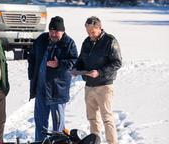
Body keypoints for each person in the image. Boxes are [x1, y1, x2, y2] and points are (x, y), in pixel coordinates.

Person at [71, 16, 122, 144]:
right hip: (89, 86)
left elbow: (117, 62)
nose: (90, 35)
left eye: (92, 32)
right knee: (92, 118)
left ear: (99, 28)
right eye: (88, 32)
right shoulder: (86, 42)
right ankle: (95, 141)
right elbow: (81, 60)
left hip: (104, 86)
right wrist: (76, 69)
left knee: (107, 118)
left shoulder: (110, 41)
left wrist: (99, 72)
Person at [28, 16, 78, 141]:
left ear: (63, 31)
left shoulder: (69, 43)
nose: (53, 34)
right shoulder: (41, 39)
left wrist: (59, 64)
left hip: (57, 90)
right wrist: (32, 75)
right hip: (41, 89)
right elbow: (32, 57)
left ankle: (59, 142)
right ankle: (40, 142)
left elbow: (74, 61)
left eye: (56, 31)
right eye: (51, 31)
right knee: (40, 121)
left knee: (58, 124)